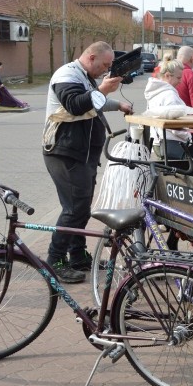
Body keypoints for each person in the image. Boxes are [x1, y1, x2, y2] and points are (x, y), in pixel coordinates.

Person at [42, 41, 133, 283]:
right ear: (91, 58)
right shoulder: (66, 75)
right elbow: (74, 104)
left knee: (81, 207)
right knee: (73, 208)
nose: (106, 70)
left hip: (82, 154)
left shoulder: (85, 77)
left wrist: (118, 104)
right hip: (64, 152)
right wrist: (103, 89)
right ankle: (55, 260)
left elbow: (93, 102)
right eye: (105, 64)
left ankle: (78, 256)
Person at [144, 58, 192, 159]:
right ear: (167, 76)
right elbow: (175, 126)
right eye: (178, 78)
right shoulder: (170, 95)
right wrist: (188, 137)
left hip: (157, 142)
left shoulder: (155, 92)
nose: (180, 81)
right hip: (173, 144)